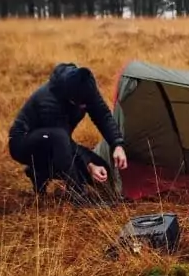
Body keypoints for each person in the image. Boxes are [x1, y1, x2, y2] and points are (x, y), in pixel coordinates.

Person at [7, 63, 128, 204]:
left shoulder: (86, 87)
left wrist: (117, 144)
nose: (84, 106)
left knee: (99, 166)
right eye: (80, 104)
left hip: (58, 141)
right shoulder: (49, 100)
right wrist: (88, 165)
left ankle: (40, 172)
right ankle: (78, 196)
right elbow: (63, 141)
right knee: (61, 140)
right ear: (69, 97)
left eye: (87, 103)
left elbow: (103, 116)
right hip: (23, 143)